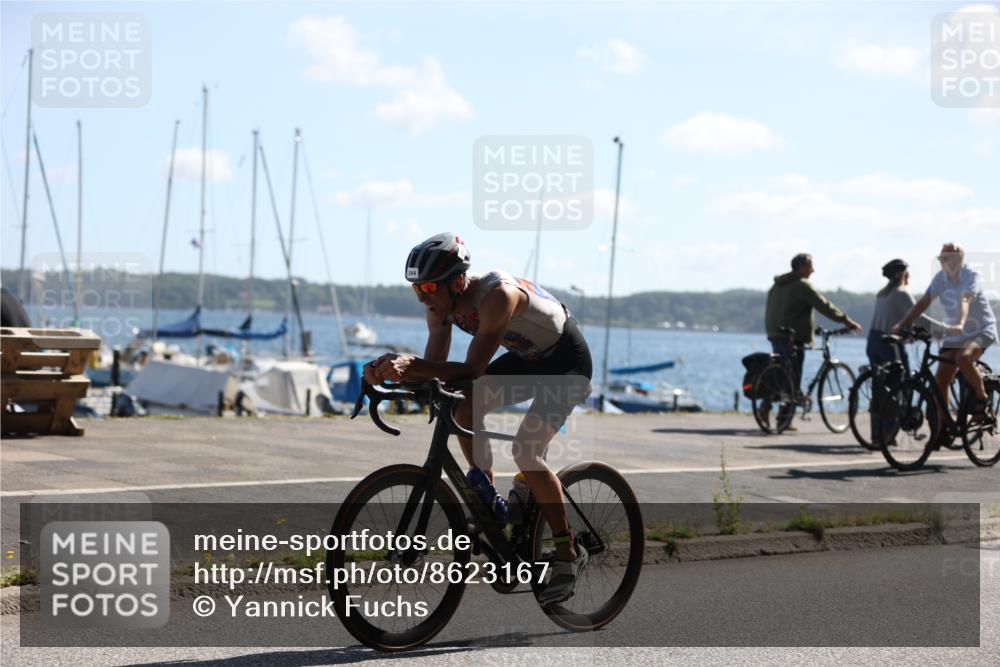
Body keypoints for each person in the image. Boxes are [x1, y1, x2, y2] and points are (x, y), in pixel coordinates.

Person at [364, 232, 592, 605]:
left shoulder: (497, 295)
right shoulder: (439, 306)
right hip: (529, 359)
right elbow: (435, 371)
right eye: (416, 289)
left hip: (567, 363)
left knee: (526, 452)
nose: (423, 297)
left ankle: (569, 552)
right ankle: (488, 499)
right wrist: (387, 372)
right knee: (464, 406)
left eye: (429, 287)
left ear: (457, 282)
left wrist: (412, 366)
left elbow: (471, 368)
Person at [893, 243, 998, 426]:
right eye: (940, 259)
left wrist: (961, 322)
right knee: (941, 379)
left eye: (946, 258)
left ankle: (982, 398)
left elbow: (965, 299)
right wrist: (902, 324)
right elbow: (923, 303)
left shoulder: (970, 275)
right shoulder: (940, 278)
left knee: (963, 358)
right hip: (957, 333)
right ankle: (944, 426)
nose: (942, 262)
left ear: (959, 259)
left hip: (981, 329)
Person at [764, 253, 863, 401]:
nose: (813, 270)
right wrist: (846, 321)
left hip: (775, 333)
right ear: (801, 267)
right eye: (810, 266)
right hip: (792, 336)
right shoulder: (802, 285)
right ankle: (786, 410)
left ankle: (769, 403)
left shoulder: (778, 285)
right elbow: (824, 305)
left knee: (783, 372)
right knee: (793, 375)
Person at [867, 259, 945, 444]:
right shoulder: (902, 293)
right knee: (902, 387)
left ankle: (877, 434)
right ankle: (889, 433)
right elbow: (918, 317)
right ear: (902, 275)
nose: (909, 275)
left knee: (879, 388)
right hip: (890, 344)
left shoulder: (882, 294)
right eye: (907, 272)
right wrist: (943, 330)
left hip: (873, 341)